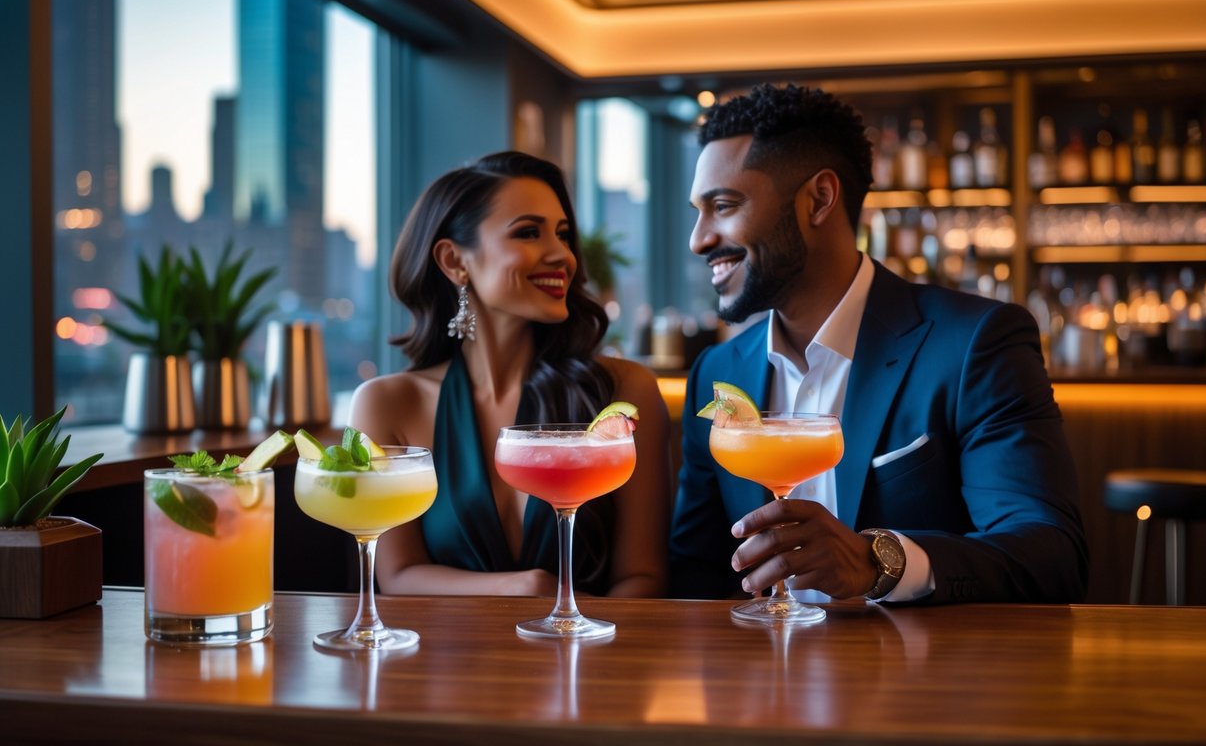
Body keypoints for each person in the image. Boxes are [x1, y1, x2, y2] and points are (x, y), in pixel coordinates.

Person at [669, 84, 1088, 604]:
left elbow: (1051, 555)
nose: (698, 239)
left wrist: (881, 562)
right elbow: (694, 573)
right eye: (698, 211)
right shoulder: (717, 374)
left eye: (723, 206)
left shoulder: (975, 344)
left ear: (819, 199)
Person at [351, 151, 669, 598]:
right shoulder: (387, 405)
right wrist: (523, 587)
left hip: (599, 643)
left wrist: (574, 637)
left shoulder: (622, 393)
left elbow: (644, 580)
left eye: (562, 234)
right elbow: (398, 575)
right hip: (445, 647)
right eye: (528, 232)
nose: (562, 255)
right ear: (454, 261)